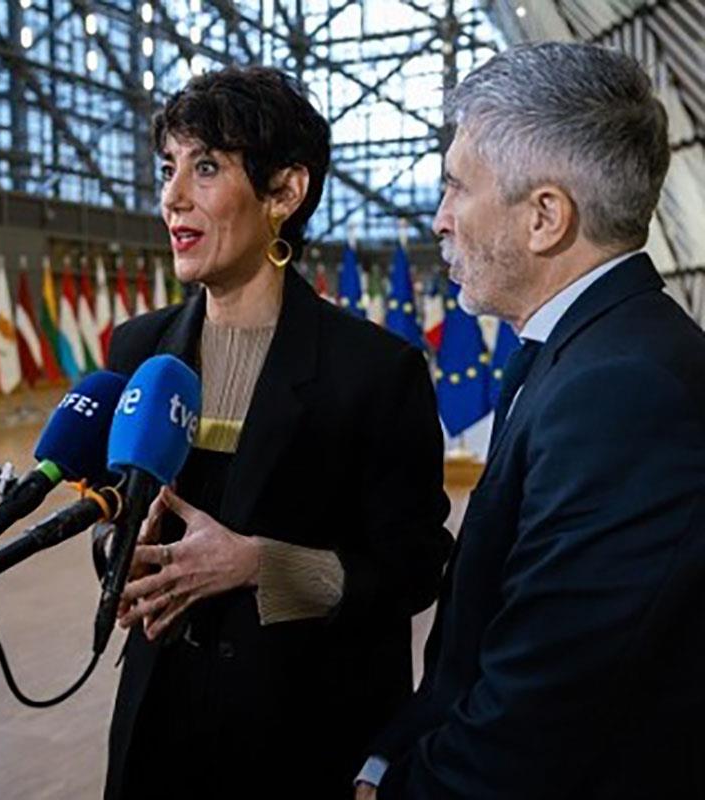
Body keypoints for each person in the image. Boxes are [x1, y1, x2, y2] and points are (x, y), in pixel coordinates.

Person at [356, 43, 705, 799]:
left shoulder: (621, 390)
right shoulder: (584, 350)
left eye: (456, 187)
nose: (440, 218)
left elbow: (543, 703)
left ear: (546, 216)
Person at [103, 66, 453, 799]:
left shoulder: (374, 371)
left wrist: (262, 563)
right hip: (157, 727)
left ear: (284, 193)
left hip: (299, 739)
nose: (172, 198)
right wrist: (119, 552)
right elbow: (121, 514)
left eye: (205, 168)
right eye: (168, 169)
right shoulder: (139, 348)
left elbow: (414, 568)